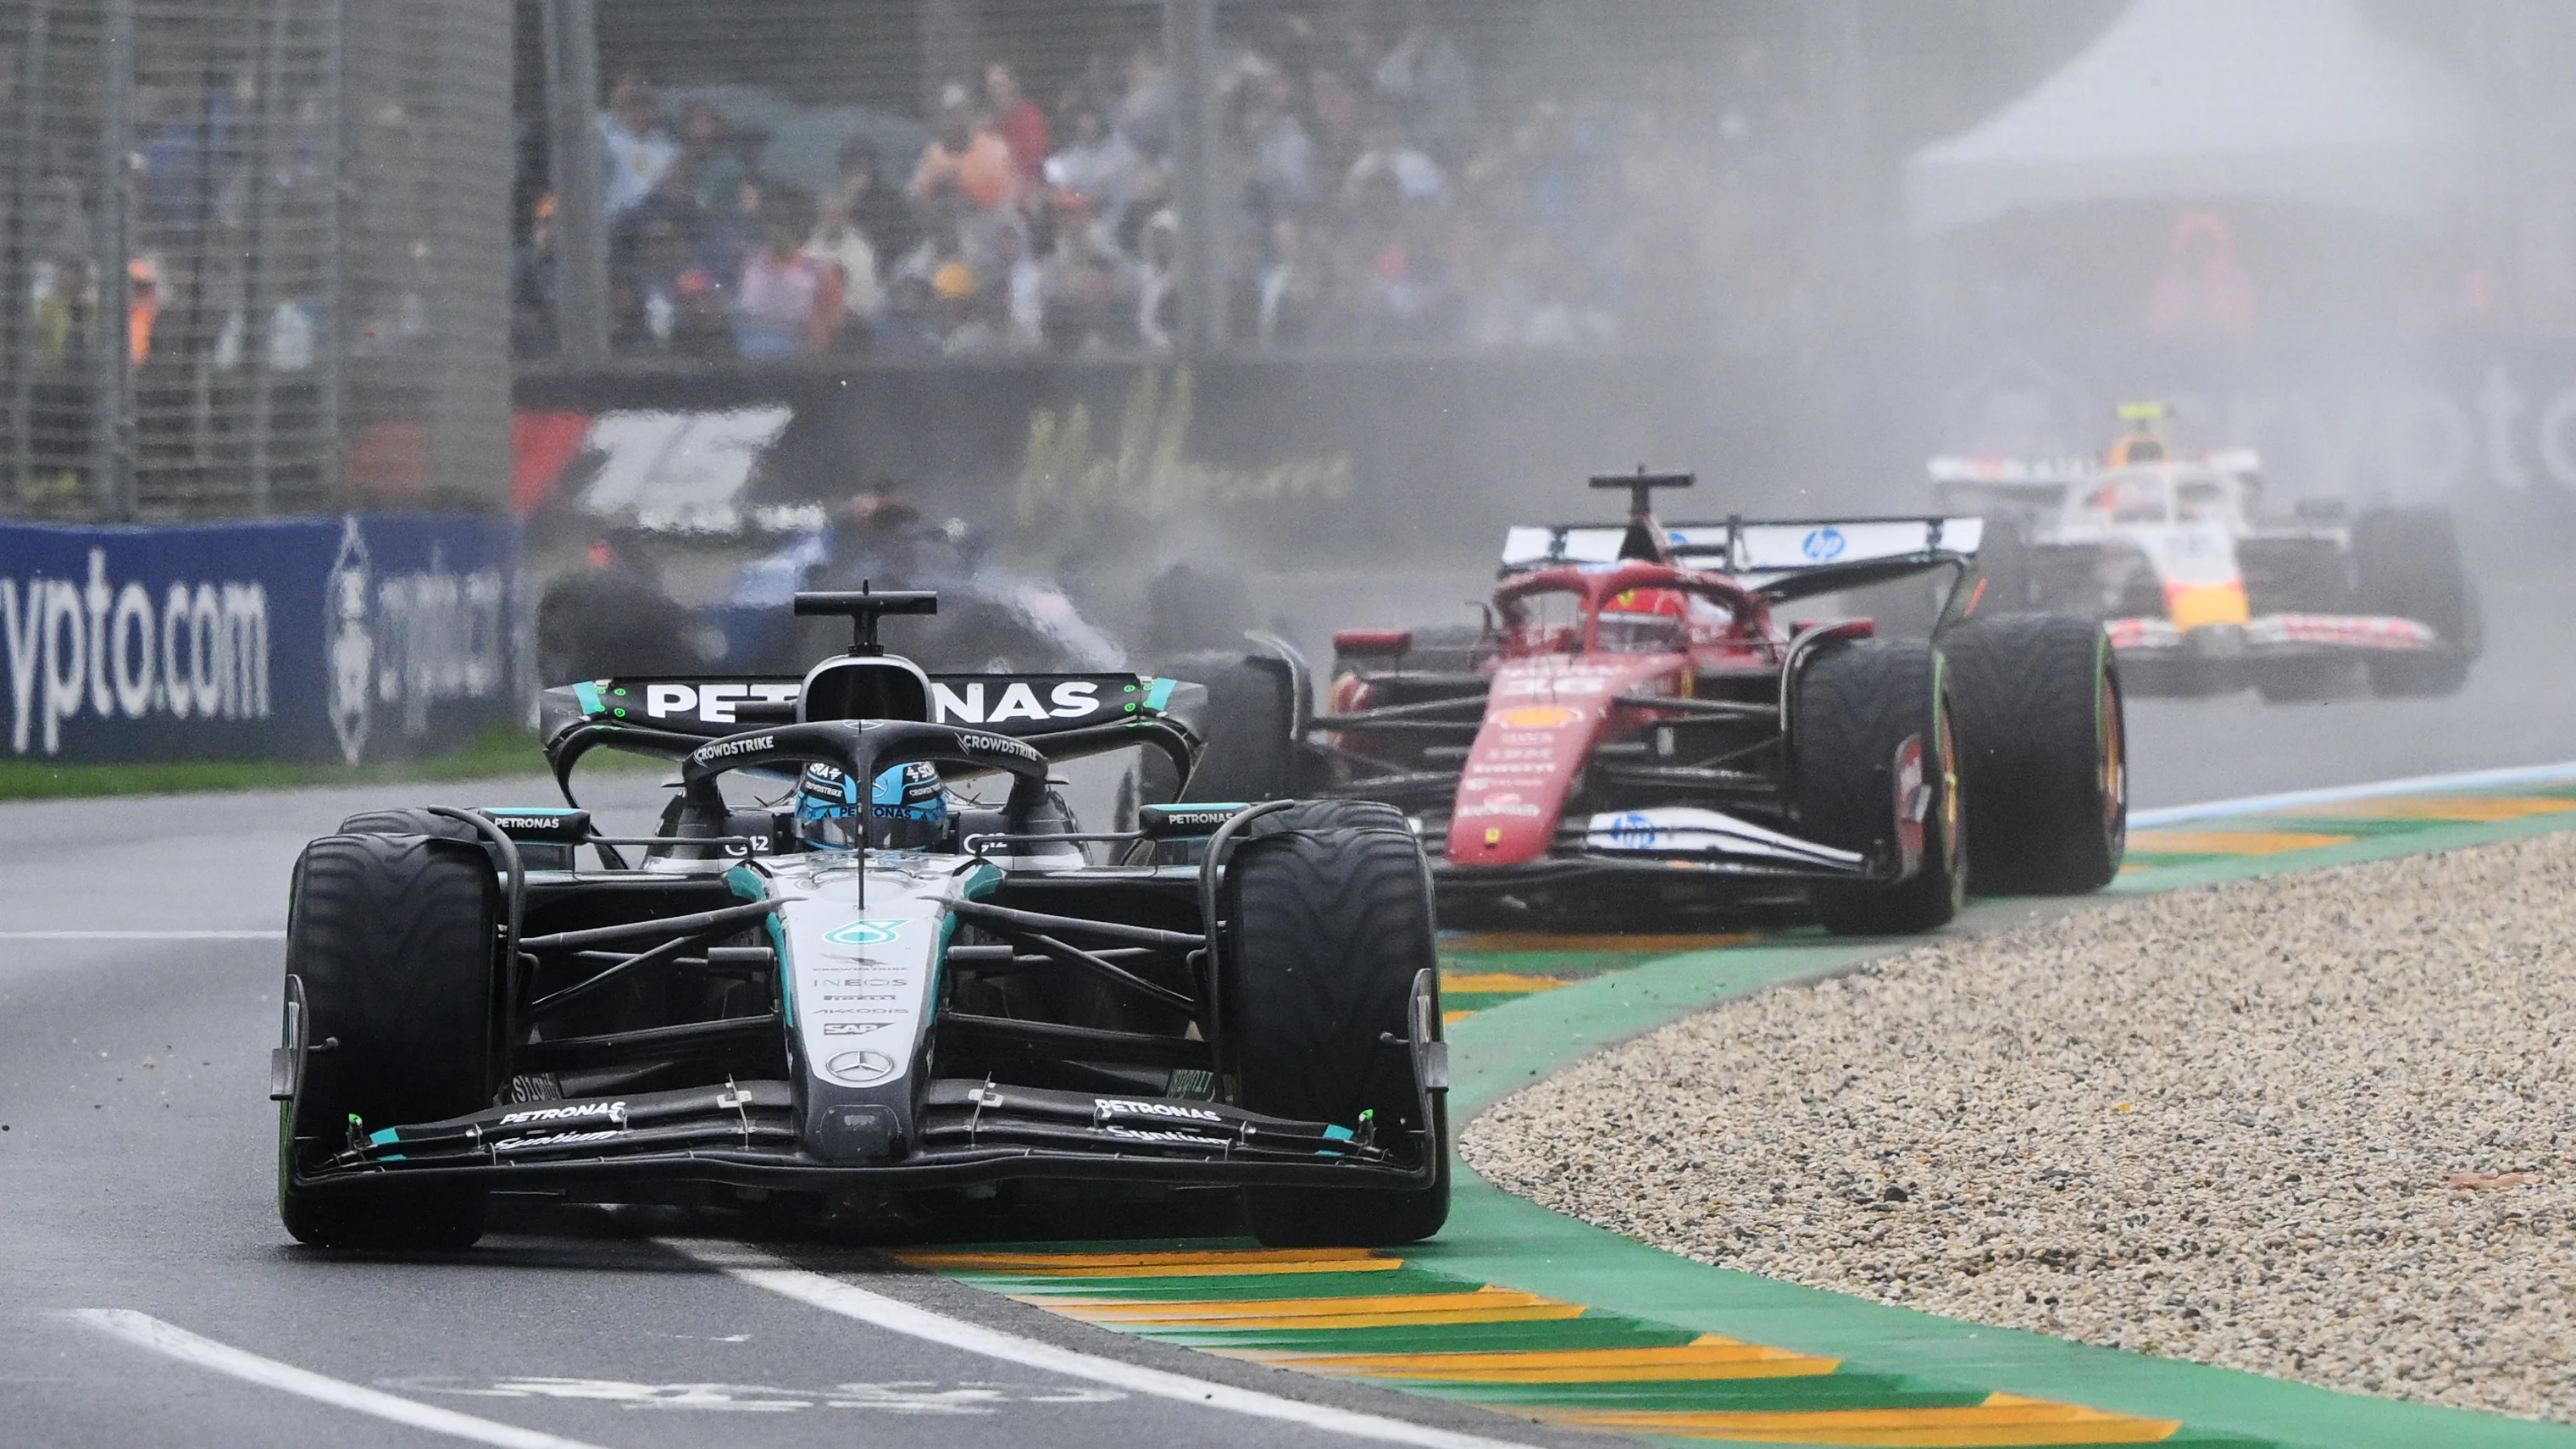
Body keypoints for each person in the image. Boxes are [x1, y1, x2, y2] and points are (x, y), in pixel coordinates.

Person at [732, 189, 843, 359]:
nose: (777, 231)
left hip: (798, 369)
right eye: (772, 222)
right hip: (748, 367)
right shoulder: (749, 266)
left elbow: (824, 333)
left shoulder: (821, 274)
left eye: (784, 223)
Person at [910, 83, 1020, 213]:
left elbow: (1011, 195)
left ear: (971, 113)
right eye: (950, 114)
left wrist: (971, 193)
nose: (956, 120)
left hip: (992, 221)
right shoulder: (935, 154)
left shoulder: (994, 147)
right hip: (951, 223)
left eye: (960, 112)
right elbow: (915, 195)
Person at [597, 75, 680, 219]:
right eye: (633, 104)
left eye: (646, 104)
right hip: (610, 218)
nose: (640, 111)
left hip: (652, 221)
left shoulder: (669, 150)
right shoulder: (605, 134)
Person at [984, 63, 1051, 186]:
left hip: (1029, 186)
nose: (998, 92)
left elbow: (1035, 160)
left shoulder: (1031, 116)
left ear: (1013, 85)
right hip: (995, 190)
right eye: (993, 87)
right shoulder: (989, 127)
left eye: (1001, 85)